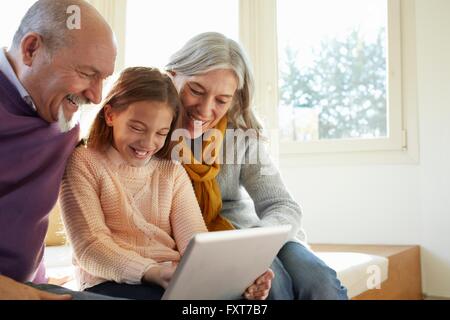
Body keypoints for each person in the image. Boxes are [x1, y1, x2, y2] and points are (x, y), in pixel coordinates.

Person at [59, 67, 274, 300]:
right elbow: (91, 248)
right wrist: (151, 271)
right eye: (137, 127)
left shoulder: (171, 171)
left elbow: (196, 243)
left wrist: (241, 280)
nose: (148, 143)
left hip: (171, 279)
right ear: (110, 115)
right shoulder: (84, 162)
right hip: (110, 282)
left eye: (161, 133)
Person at [166, 32, 348, 300]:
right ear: (172, 75)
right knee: (274, 284)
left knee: (321, 281)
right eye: (196, 90)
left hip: (256, 235)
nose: (205, 110)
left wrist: (257, 243)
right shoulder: (149, 134)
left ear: (234, 99)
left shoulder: (240, 138)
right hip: (201, 242)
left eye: (221, 100)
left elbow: (281, 205)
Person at [0, 0, 117, 300]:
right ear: (31, 50)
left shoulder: (64, 121)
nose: (96, 95)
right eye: (87, 73)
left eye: (103, 78)